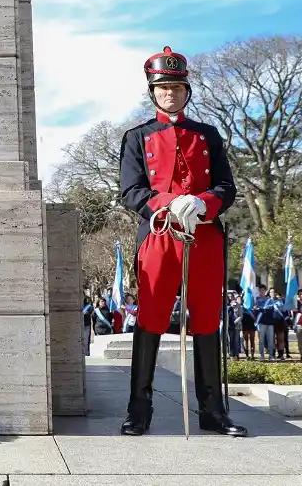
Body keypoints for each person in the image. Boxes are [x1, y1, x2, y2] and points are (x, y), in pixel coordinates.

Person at [118, 46, 246, 437]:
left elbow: (226, 186)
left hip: (203, 235)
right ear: (152, 92)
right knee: (151, 318)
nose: (169, 93)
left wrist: (204, 202)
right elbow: (130, 191)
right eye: (162, 88)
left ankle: (213, 410)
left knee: (206, 319)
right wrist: (169, 204)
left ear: (186, 91)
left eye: (176, 87)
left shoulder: (208, 135)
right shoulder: (137, 137)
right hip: (160, 235)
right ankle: (139, 410)